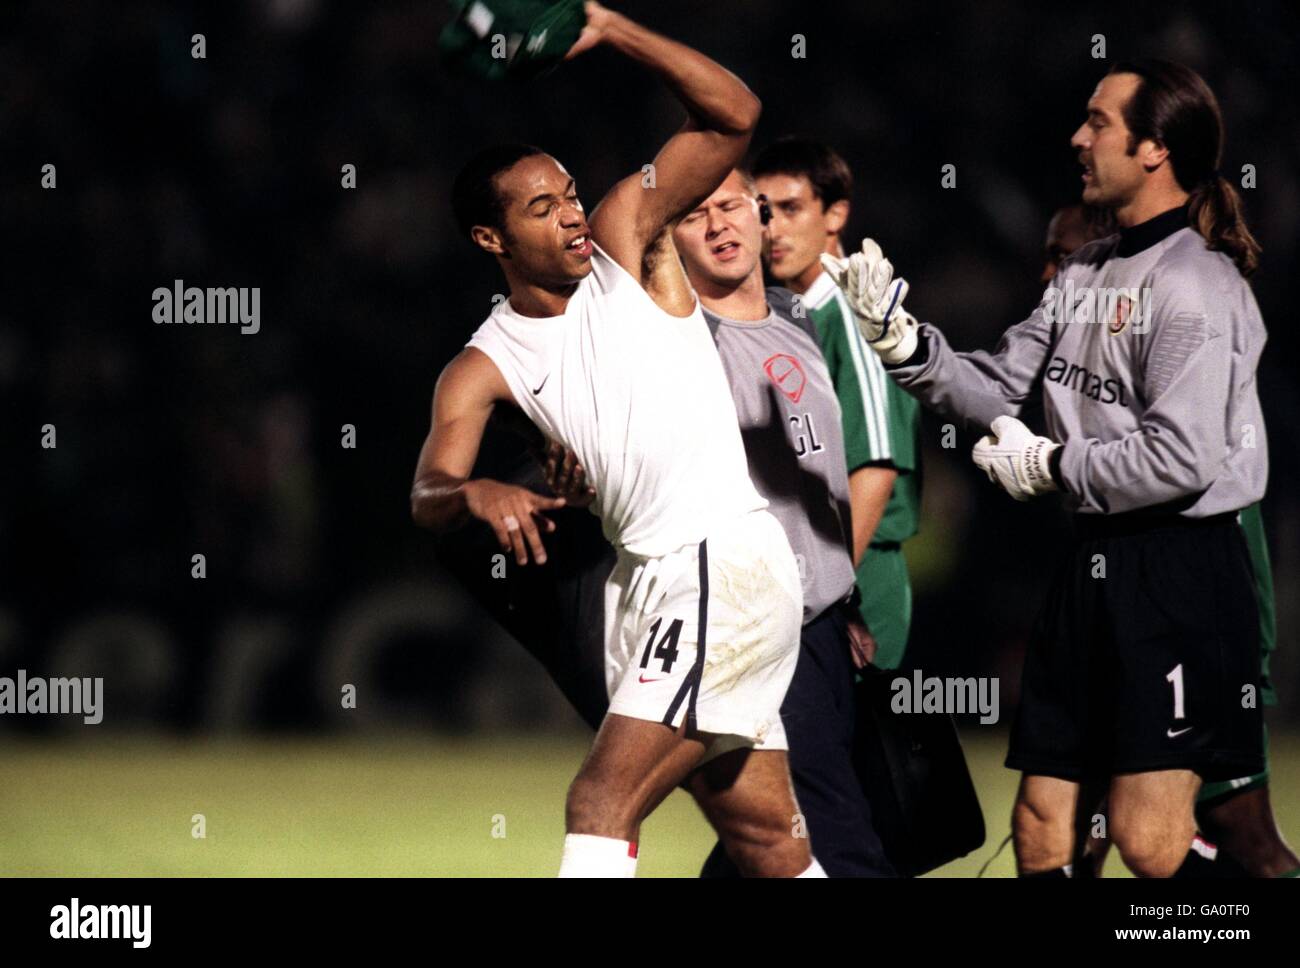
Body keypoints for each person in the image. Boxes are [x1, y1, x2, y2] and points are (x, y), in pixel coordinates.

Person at [824, 60, 1268, 878]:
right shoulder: (1088, 271)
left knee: (1149, 844)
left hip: (1176, 570)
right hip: (1091, 566)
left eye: (1099, 122)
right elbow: (996, 384)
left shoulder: (1196, 284)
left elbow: (1182, 456)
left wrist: (1055, 462)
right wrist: (903, 342)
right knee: (1039, 821)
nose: (1078, 136)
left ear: (1155, 149)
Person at [411, 2, 818, 878]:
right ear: (491, 239)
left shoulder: (625, 241)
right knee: (766, 842)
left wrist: (613, 29)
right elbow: (428, 495)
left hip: (718, 561)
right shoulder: (480, 366)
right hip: (649, 579)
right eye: (540, 207)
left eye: (567, 194)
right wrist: (473, 492)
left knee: (600, 803)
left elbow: (734, 114)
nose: (569, 216)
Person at [1039, 204, 1299, 879]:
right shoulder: (1086, 364)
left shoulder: (1191, 321)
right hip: (1112, 606)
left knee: (1231, 832)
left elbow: (1188, 474)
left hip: (1186, 613)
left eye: (1067, 258)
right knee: (1060, 828)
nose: (1054, 274)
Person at [753, 139, 922, 671]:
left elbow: (874, 467)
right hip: (809, 577)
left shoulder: (855, 315)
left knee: (854, 752)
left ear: (836, 214)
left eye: (791, 208)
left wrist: (829, 598)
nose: (773, 229)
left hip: (854, 578)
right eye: (763, 212)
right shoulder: (791, 316)